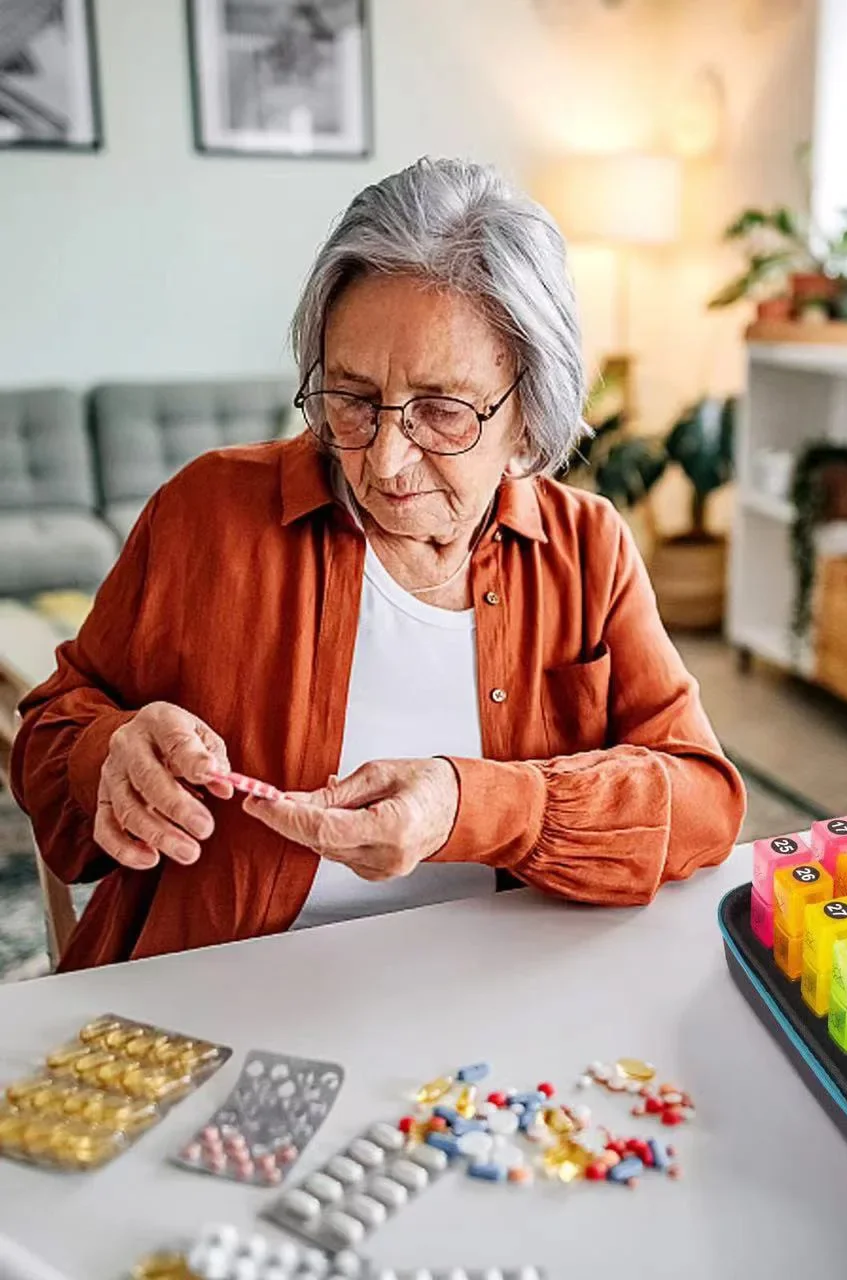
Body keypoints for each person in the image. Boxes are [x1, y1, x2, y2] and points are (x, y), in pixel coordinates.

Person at [12, 157, 746, 971]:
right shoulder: (204, 512)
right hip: (218, 985)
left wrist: (477, 804)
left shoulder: (588, 547)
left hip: (491, 990)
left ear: (530, 421)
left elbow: (705, 803)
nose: (386, 461)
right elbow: (50, 731)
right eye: (353, 399)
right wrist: (105, 754)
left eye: (440, 411)